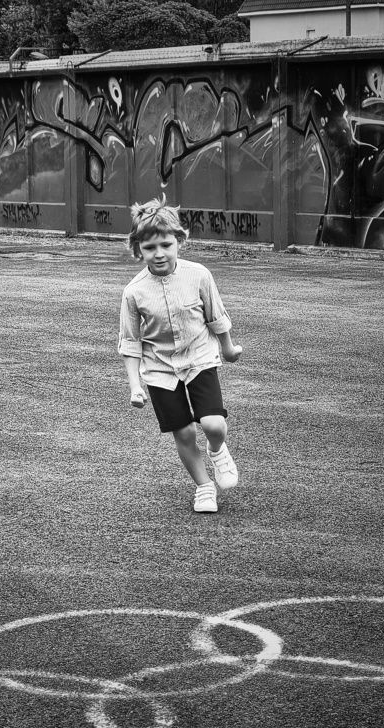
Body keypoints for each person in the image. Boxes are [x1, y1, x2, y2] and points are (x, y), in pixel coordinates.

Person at [118, 196, 243, 513]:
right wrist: (135, 386)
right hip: (159, 368)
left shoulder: (198, 275)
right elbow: (130, 342)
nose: (159, 253)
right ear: (138, 249)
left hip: (199, 358)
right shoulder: (134, 291)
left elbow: (216, 316)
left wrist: (228, 348)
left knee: (213, 425)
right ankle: (204, 487)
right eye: (150, 247)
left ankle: (217, 450)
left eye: (166, 245)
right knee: (184, 432)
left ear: (179, 241)